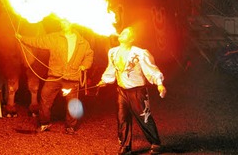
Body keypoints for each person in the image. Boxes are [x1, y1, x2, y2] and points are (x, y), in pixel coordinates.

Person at [16, 18, 94, 135]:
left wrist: (84, 65)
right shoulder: (54, 37)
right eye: (61, 22)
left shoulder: (82, 42)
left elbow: (89, 55)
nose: (63, 24)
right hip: (54, 75)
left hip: (72, 78)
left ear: (72, 23)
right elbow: (38, 41)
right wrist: (22, 39)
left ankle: (70, 127)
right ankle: (44, 123)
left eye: (66, 21)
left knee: (72, 103)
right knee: (45, 97)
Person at [97, 27, 166, 155]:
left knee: (144, 118)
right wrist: (105, 80)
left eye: (126, 33)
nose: (122, 34)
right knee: (122, 118)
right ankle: (125, 146)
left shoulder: (140, 53)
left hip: (138, 91)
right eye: (122, 32)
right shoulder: (113, 52)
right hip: (121, 91)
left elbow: (152, 69)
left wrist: (159, 84)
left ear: (132, 39)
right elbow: (111, 69)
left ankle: (155, 143)